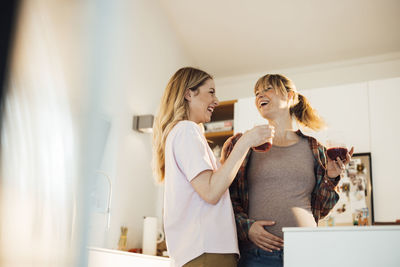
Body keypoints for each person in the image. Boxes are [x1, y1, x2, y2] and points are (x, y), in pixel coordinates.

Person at [221, 74, 354, 267]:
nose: (259, 96)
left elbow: (321, 208)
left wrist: (331, 177)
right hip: (259, 255)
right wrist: (247, 228)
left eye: (267, 89)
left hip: (307, 251)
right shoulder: (243, 143)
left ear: (290, 96)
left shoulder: (315, 148)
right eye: (256, 93)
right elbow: (225, 197)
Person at [152, 67, 275, 267]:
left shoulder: (183, 133)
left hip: (201, 251)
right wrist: (246, 142)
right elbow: (210, 192)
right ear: (188, 94)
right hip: (207, 250)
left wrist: (227, 161)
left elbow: (208, 187)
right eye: (211, 92)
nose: (216, 100)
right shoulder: (186, 131)